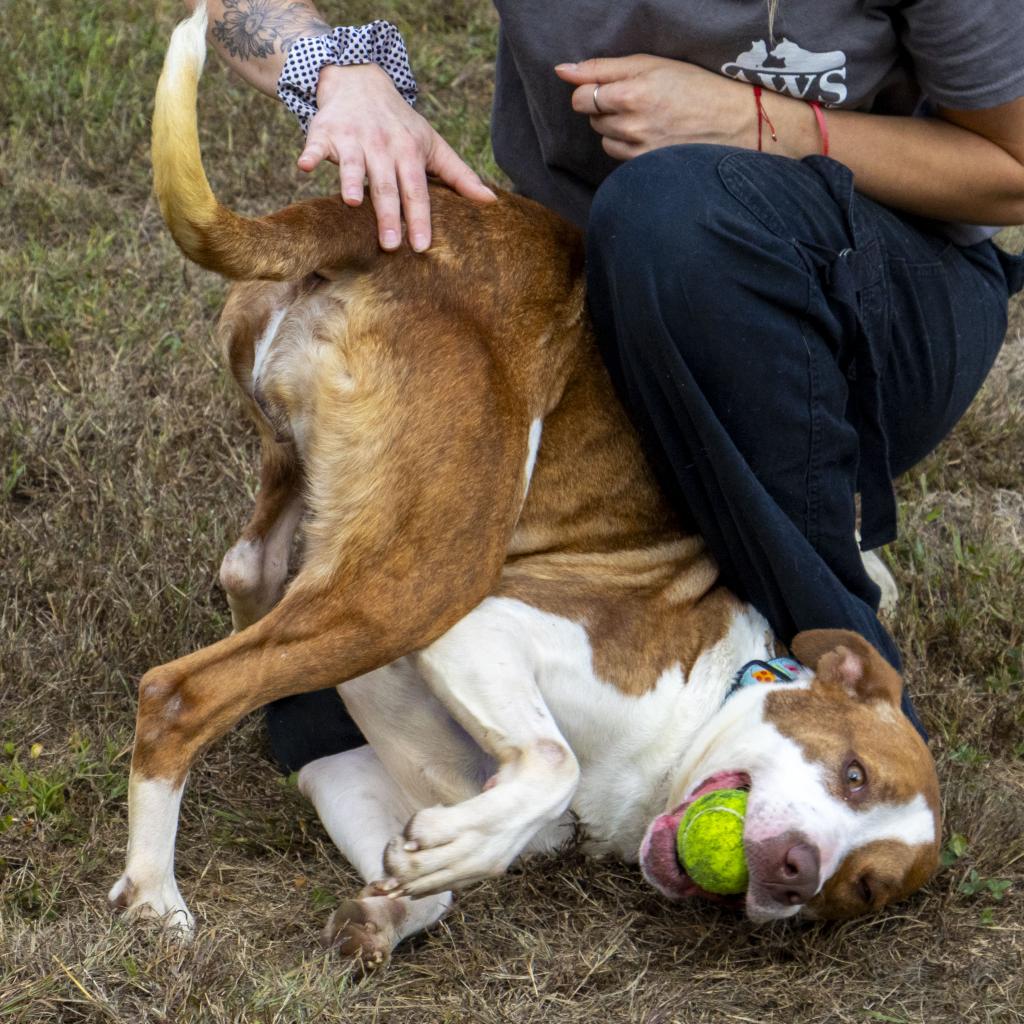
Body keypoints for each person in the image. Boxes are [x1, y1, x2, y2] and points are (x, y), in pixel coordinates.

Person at [189, 0, 1024, 767]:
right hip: (603, 290)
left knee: (667, 213)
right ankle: (689, 538)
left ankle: (842, 686)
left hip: (879, 282)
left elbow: (1009, 167)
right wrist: (340, 71)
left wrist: (759, 121)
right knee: (353, 678)